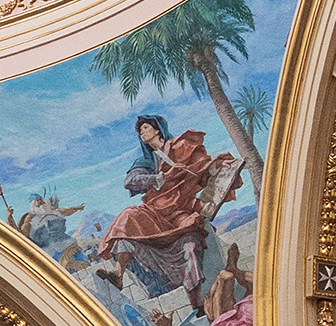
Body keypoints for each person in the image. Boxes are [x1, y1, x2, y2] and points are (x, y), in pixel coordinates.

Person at [93, 113, 240, 308]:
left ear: (157, 129)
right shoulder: (147, 162)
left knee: (190, 245)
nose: (141, 132)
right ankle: (118, 274)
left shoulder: (180, 147)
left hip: (181, 211)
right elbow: (130, 182)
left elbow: (202, 167)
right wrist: (160, 176)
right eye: (139, 130)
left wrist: (219, 165)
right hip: (155, 213)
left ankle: (197, 304)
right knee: (127, 215)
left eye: (145, 128)